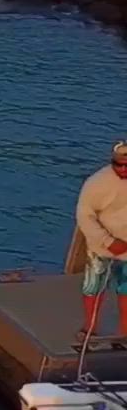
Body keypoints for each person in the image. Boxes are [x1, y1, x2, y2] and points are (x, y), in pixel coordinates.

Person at [76, 141, 127, 338]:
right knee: (93, 287)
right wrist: (108, 242)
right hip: (101, 247)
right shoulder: (97, 182)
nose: (122, 169)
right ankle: (90, 328)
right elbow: (84, 216)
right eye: (118, 165)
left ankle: (125, 332)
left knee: (125, 288)